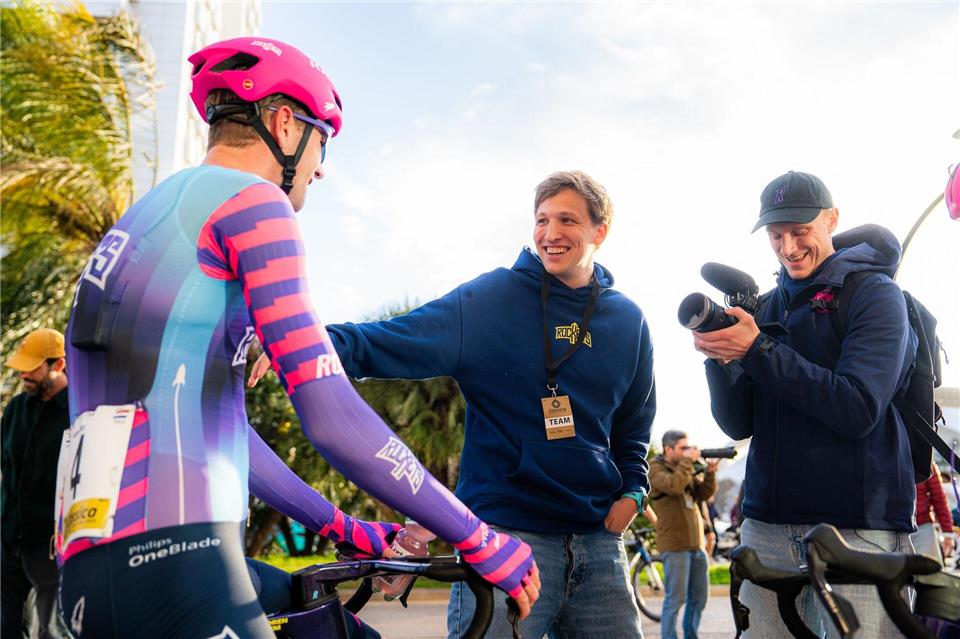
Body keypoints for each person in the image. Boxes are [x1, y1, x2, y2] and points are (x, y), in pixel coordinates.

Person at [58, 36, 537, 639]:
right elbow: (331, 414)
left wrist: (347, 528)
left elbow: (223, 435)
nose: (321, 166)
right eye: (322, 140)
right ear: (285, 124)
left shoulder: (145, 216)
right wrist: (476, 535)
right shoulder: (254, 205)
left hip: (93, 573)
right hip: (181, 561)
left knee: (337, 627)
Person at [253, 170, 655, 638]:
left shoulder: (628, 320)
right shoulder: (493, 299)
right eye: (542, 220)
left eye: (567, 220)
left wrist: (634, 490)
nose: (550, 233)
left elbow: (634, 422)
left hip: (598, 542)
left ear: (599, 232)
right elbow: (396, 338)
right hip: (507, 533)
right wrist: (305, 341)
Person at [692, 170, 917, 638]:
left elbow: (858, 407)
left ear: (831, 219)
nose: (788, 247)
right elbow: (737, 423)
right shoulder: (765, 307)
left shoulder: (876, 295)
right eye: (776, 235)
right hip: (767, 526)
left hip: (858, 528)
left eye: (800, 231)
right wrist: (720, 357)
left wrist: (757, 350)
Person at [1, 328, 71, 639]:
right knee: (7, 627)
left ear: (58, 365)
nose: (23, 374)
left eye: (32, 368)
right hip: (8, 541)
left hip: (49, 547)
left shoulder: (77, 414)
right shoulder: (16, 409)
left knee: (50, 630)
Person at [648, 430, 716, 639]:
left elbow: (704, 494)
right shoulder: (654, 468)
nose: (687, 451)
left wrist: (710, 472)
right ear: (668, 449)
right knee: (675, 600)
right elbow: (674, 486)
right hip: (675, 546)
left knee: (699, 599)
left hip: (696, 545)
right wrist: (687, 462)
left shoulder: (684, 469)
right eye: (683, 448)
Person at [913, 462, 955, 565]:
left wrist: (947, 532)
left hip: (922, 527)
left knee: (930, 570)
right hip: (889, 528)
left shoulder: (925, 459)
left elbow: (938, 498)